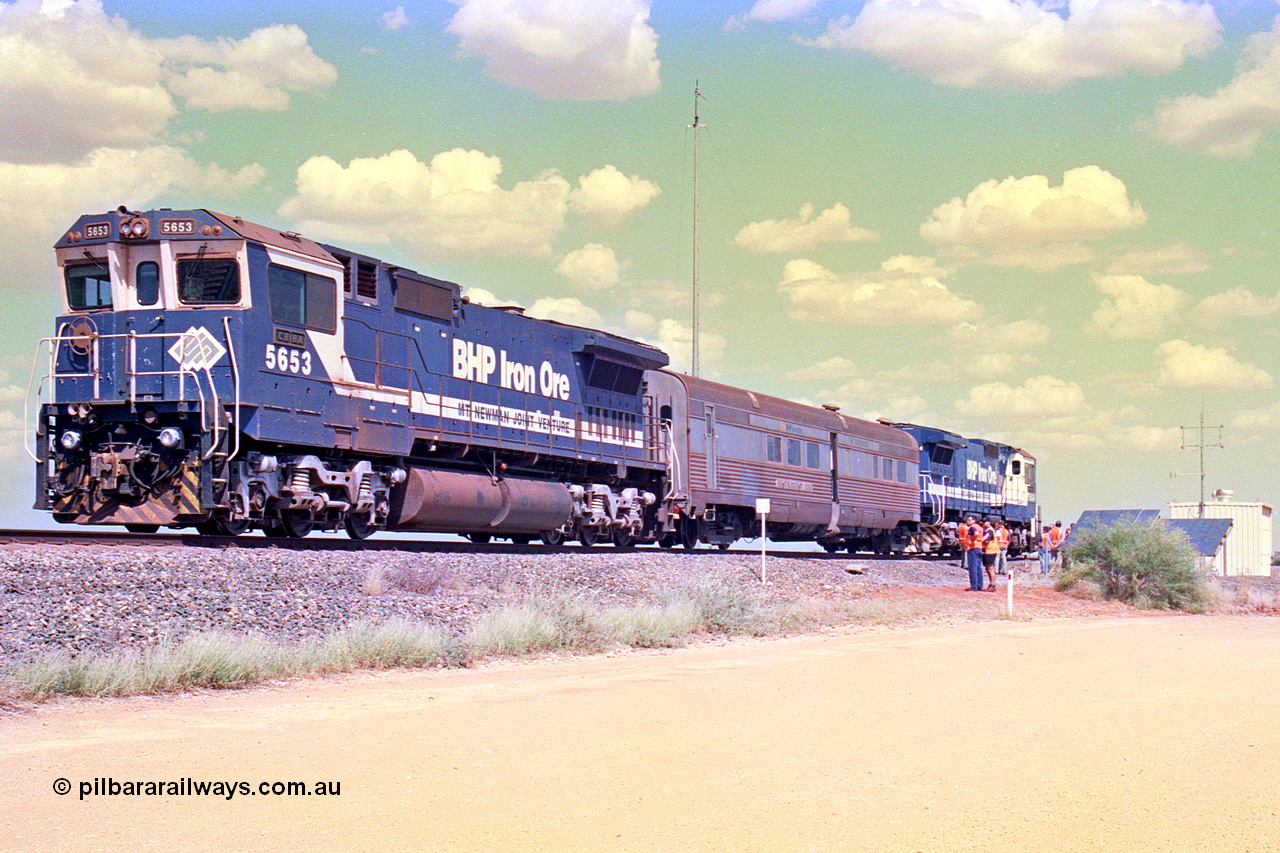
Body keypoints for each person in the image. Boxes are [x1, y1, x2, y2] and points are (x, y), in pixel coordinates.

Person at [961, 515, 984, 591]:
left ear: (974, 520)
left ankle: (974, 586)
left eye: (969, 520)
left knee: (972, 567)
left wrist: (973, 541)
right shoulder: (980, 527)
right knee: (978, 567)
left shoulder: (972, 527)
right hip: (979, 548)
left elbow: (976, 534)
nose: (967, 521)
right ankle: (979, 586)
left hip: (972, 548)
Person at [981, 519, 999, 590]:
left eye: (985, 522)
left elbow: (984, 539)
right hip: (988, 551)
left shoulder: (990, 530)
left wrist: (977, 541)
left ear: (989, 523)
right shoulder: (987, 530)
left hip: (990, 551)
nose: (983, 523)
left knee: (990, 568)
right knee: (988, 568)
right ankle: (992, 584)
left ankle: (992, 584)